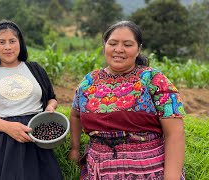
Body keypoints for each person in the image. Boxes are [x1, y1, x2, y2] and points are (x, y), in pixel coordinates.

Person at [68, 20, 186, 179]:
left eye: (128, 44)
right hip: (99, 172)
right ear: (105, 46)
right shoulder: (89, 81)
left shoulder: (154, 80)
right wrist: (75, 149)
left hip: (150, 171)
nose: (119, 49)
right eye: (113, 43)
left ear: (139, 49)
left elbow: (175, 134)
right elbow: (75, 114)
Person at [0, 19, 63, 180]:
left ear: (20, 43)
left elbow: (51, 99)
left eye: (12, 41)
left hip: (36, 136)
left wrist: (50, 108)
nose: (8, 47)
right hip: (2, 141)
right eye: (1, 42)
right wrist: (8, 128)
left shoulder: (35, 69)